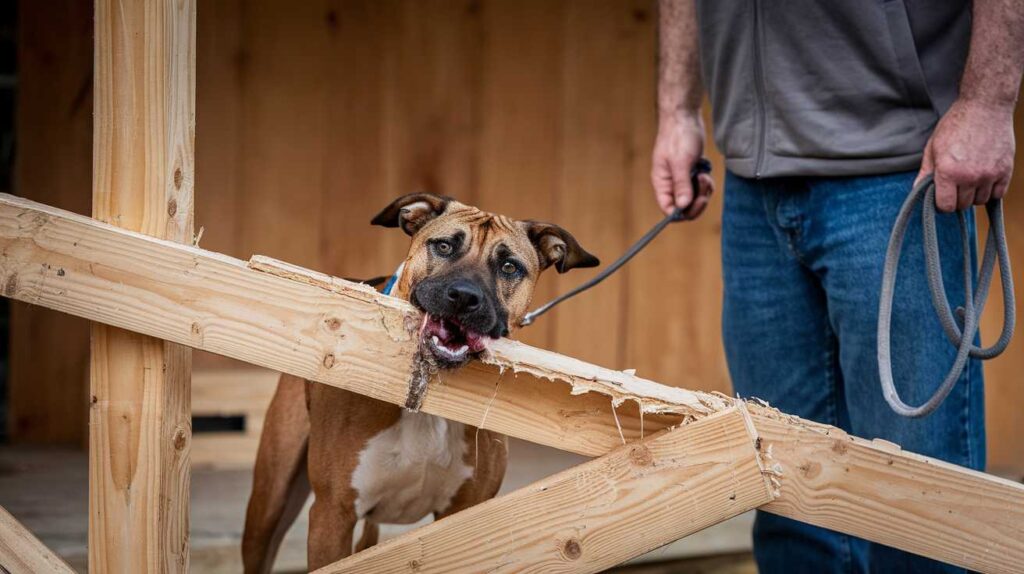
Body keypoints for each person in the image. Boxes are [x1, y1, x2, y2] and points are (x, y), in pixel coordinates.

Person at [651, 1, 1023, 572]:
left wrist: (987, 103)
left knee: (921, 507)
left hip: (898, 173)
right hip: (753, 181)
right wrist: (676, 107)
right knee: (783, 497)